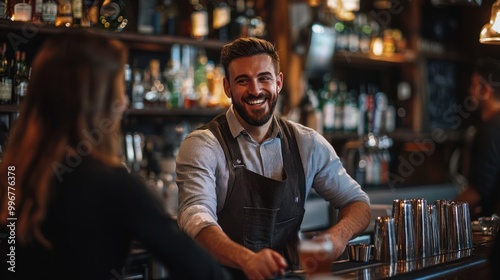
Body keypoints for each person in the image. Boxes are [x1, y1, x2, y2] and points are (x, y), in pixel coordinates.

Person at [0, 30, 229, 280]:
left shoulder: (13, 174)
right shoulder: (110, 183)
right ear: (101, 100)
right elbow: (204, 270)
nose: (125, 99)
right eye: (120, 87)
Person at [176, 37, 371, 279]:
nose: (255, 90)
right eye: (243, 80)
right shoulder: (203, 145)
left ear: (278, 82)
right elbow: (195, 217)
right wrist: (248, 260)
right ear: (227, 87)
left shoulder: (306, 143)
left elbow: (358, 202)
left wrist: (338, 236)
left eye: (264, 78)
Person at [455, 58, 500, 219]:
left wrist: (439, 213)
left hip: (489, 226)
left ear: (485, 90)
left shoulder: (491, 129)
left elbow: (479, 189)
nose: (470, 91)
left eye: (474, 85)